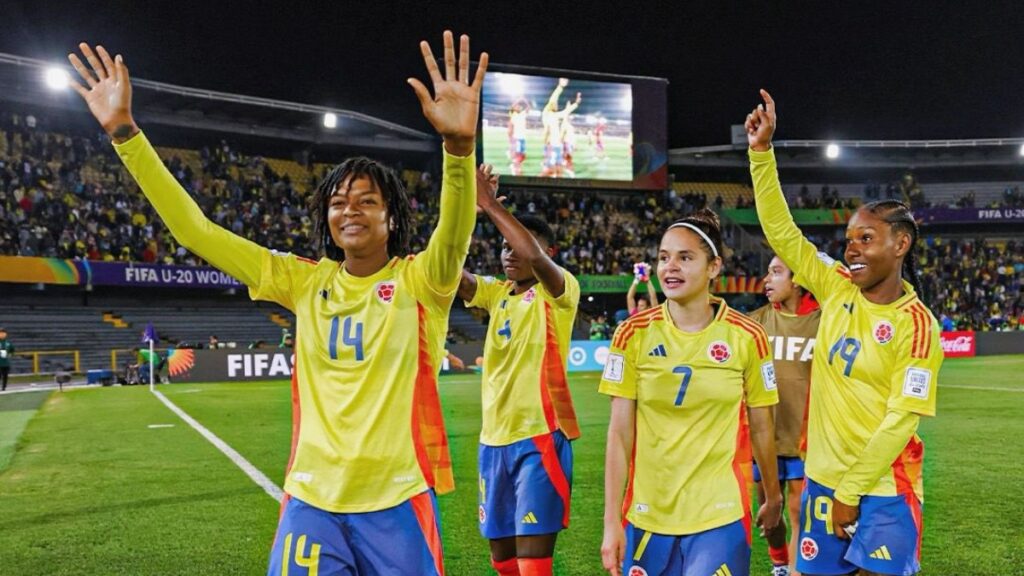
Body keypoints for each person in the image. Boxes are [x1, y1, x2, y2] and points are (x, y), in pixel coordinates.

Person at [68, 32, 488, 576]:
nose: (350, 210)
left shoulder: (422, 282)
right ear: (327, 220)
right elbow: (195, 231)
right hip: (311, 500)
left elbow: (454, 233)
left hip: (398, 499)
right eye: (339, 202)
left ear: (393, 218)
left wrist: (458, 150)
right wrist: (126, 134)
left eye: (367, 201)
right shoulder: (300, 281)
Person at [746, 90, 941, 576]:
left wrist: (851, 493)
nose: (852, 249)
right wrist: (761, 154)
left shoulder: (916, 326)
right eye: (849, 239)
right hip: (822, 481)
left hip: (884, 490)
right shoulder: (836, 289)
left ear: (901, 244)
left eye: (866, 239)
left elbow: (901, 421)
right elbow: (782, 232)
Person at [600, 210, 782, 576]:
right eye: (664, 257)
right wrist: (610, 522)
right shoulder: (631, 334)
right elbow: (619, 435)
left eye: (685, 258)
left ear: (713, 267)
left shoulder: (748, 337)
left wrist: (773, 496)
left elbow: (762, 427)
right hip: (649, 513)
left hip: (720, 513)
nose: (671, 267)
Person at [459, 164, 580, 576]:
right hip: (492, 441)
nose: (510, 255)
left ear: (548, 254)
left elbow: (532, 255)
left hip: (540, 436)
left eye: (517, 247)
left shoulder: (559, 291)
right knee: (502, 559)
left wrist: (492, 205)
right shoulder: (498, 294)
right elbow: (444, 271)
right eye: (504, 248)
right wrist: (466, 213)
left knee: (532, 561)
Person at [748, 256, 822, 576]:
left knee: (798, 511)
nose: (767, 279)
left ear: (798, 279)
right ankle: (779, 562)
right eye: (767, 271)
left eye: (776, 272)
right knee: (768, 511)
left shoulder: (825, 321)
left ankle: (794, 569)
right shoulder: (756, 322)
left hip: (805, 437)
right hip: (763, 436)